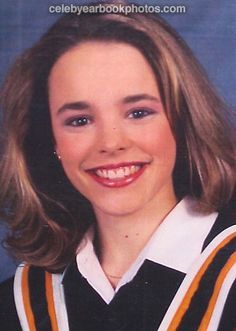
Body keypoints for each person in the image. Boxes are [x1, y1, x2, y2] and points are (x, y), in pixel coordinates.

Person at [0, 2, 235, 330]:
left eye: (138, 112)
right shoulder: (17, 306)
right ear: (50, 140)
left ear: (182, 120)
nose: (110, 143)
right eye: (80, 120)